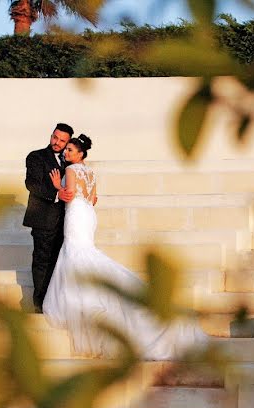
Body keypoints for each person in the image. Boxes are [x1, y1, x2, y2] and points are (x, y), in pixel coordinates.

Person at [42, 134, 208, 360]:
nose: (66, 153)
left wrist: (55, 185)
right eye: (66, 150)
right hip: (88, 214)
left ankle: (80, 298)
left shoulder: (70, 171)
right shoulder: (90, 173)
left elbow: (68, 195)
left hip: (76, 213)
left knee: (75, 252)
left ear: (81, 154)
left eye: (70, 150)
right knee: (85, 252)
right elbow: (93, 199)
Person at [23, 123, 75, 313]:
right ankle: (40, 302)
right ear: (51, 135)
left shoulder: (71, 160)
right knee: (42, 260)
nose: (57, 142)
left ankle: (56, 301)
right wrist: (56, 195)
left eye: (62, 140)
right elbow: (32, 184)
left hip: (67, 221)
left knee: (59, 261)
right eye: (55, 137)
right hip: (43, 218)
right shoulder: (36, 157)